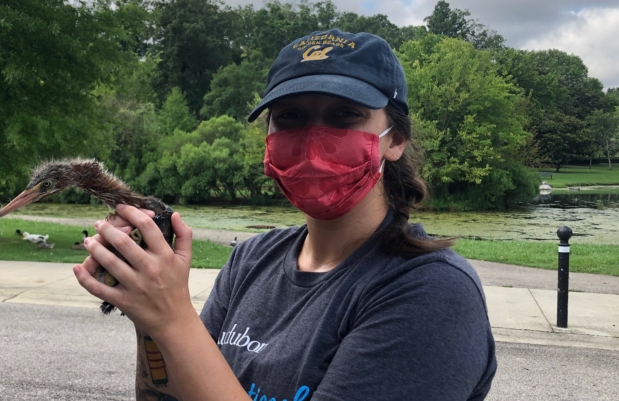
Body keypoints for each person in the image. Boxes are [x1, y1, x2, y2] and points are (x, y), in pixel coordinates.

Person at [73, 29, 497, 401]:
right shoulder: (251, 260)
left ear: (396, 139)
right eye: (290, 117)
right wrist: (147, 306)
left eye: (344, 115)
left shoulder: (432, 291)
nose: (313, 137)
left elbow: (179, 333)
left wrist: (172, 317)